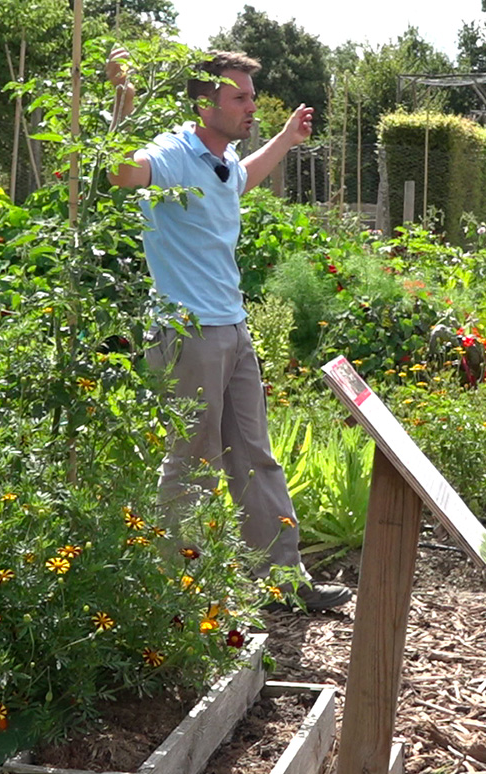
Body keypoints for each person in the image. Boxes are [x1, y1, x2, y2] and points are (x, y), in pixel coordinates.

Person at [106, 50, 351, 611]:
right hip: (188, 332)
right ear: (204, 103)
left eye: (251, 95)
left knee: (255, 456)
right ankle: (178, 592)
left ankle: (282, 580)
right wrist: (122, 105)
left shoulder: (221, 159)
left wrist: (287, 140)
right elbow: (121, 173)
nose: (250, 106)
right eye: (239, 96)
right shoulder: (172, 153)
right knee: (192, 464)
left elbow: (238, 181)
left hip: (233, 329)